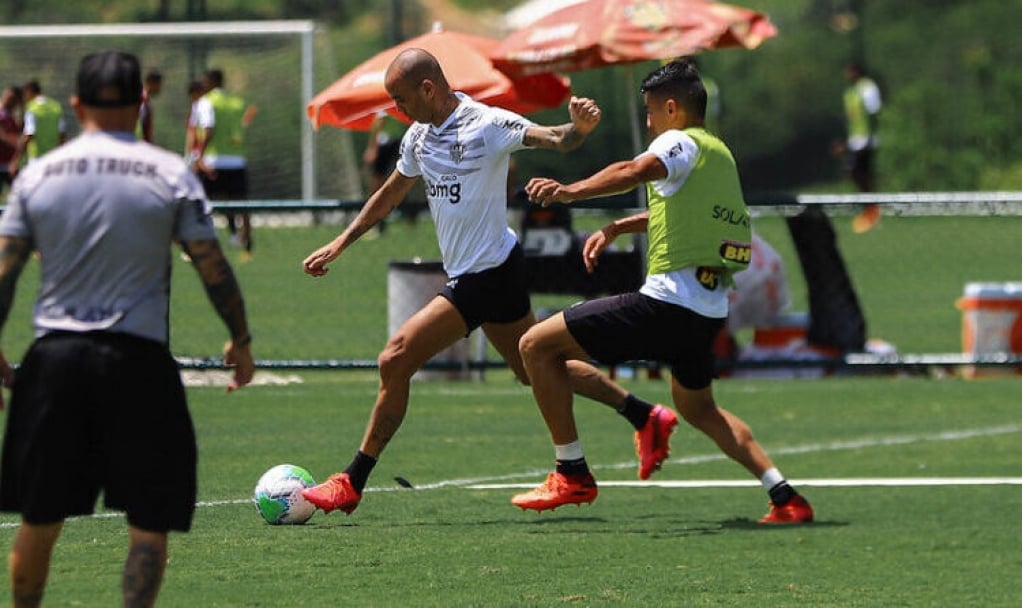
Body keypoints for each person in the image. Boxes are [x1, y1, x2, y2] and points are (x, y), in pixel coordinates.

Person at [299, 48, 678, 516]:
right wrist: (341, 242)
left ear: (428, 89)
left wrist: (577, 130)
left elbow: (554, 139)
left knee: (395, 358)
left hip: (488, 275)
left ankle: (351, 481)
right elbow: (390, 194)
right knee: (533, 367)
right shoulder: (417, 138)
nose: (397, 110)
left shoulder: (487, 124)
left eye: (400, 99)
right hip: (489, 268)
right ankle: (645, 415)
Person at [0, 50, 255, 607]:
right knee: (148, 522)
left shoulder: (37, 176)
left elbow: (4, 272)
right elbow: (212, 264)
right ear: (142, 100)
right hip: (139, 361)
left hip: (56, 360)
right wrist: (241, 338)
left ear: (75, 104)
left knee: (40, 517)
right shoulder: (169, 172)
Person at [513, 59, 814, 524]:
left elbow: (636, 169)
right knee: (700, 409)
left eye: (651, 113)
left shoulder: (677, 141)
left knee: (533, 345)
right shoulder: (718, 153)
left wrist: (569, 192)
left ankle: (571, 471)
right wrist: (618, 227)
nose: (650, 122)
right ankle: (785, 496)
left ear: (671, 108)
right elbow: (683, 216)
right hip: (708, 310)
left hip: (668, 304)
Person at [193, 68, 258, 258]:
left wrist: (199, 157)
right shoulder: (237, 102)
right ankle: (246, 239)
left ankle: (200, 243)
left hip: (213, 161)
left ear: (211, 81)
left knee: (202, 204)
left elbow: (209, 129)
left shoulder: (207, 101)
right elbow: (242, 127)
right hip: (237, 160)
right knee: (241, 202)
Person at [841, 61, 882, 233]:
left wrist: (870, 137)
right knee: (855, 173)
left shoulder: (867, 87)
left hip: (866, 139)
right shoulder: (850, 92)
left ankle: (872, 210)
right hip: (855, 139)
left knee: (859, 172)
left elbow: (874, 112)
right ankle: (870, 209)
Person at [11, 80, 67, 174]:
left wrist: (16, 160)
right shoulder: (56, 107)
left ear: (28, 91)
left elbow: (29, 134)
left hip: (36, 159)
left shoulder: (32, 107)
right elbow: (62, 136)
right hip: (53, 158)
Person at [0, 86, 23, 190]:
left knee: (19, 191)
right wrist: (18, 143)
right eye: (9, 97)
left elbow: (20, 130)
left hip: (9, 163)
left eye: (14, 99)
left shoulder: (12, 117)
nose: (10, 101)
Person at [137, 69, 163, 143]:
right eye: (159, 85)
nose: (159, 89)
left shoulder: (146, 101)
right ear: (151, 83)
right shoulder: (142, 101)